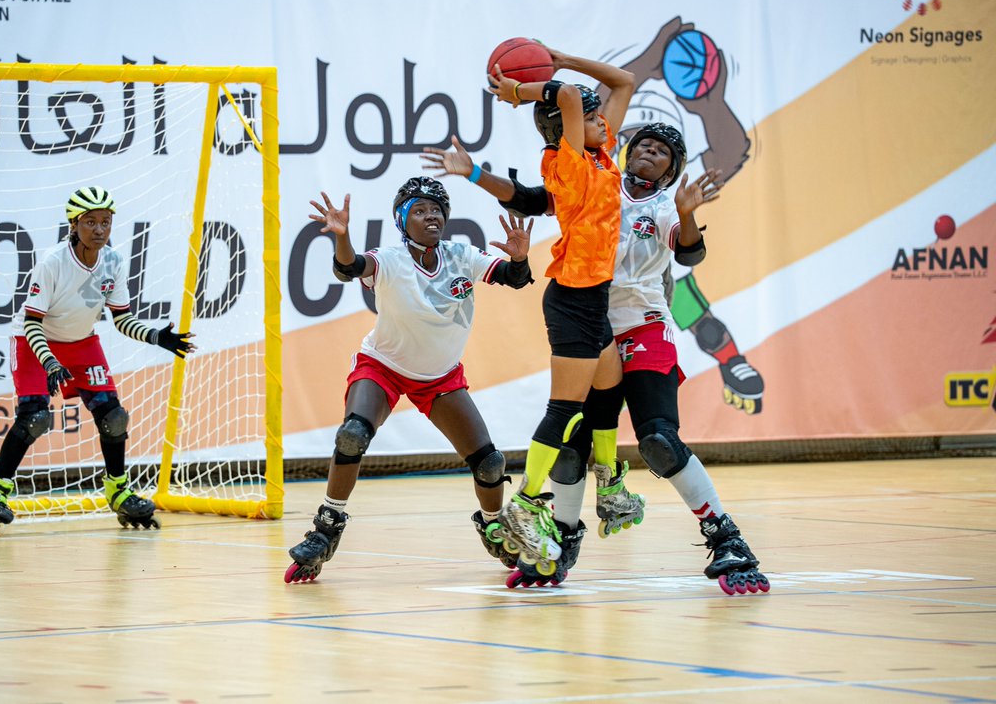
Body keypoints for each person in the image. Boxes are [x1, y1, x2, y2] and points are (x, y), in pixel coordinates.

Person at [424, 117, 770, 594]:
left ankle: (726, 536)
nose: (649, 151)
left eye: (661, 151)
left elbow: (690, 255)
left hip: (644, 325)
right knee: (571, 447)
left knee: (659, 441)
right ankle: (564, 540)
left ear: (670, 171)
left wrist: (688, 214)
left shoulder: (667, 205)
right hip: (594, 326)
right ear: (626, 153)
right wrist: (474, 173)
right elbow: (528, 198)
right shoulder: (595, 185)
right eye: (643, 144)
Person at [284, 176, 534, 583]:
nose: (430, 215)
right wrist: (342, 238)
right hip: (383, 366)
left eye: (436, 209)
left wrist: (520, 259)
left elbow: (514, 278)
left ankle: (494, 526)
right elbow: (348, 268)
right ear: (403, 220)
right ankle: (325, 529)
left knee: (490, 464)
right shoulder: (391, 259)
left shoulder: (461, 255)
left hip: (440, 377)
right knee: (353, 435)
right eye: (419, 210)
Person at [473, 48, 636, 583]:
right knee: (565, 410)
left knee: (609, 389)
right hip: (570, 300)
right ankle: (527, 501)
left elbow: (624, 81)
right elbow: (566, 95)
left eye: (597, 116)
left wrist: (562, 56)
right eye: (592, 118)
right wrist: (520, 92)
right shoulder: (565, 160)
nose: (601, 122)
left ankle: (609, 481)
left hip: (594, 299)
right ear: (566, 127)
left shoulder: (599, 152)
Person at [0, 186, 193, 538]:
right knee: (35, 418)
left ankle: (117, 490)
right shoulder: (53, 262)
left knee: (113, 416)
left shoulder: (113, 262)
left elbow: (121, 319)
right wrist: (50, 362)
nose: (100, 229)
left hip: (80, 342)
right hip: (33, 341)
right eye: (91, 222)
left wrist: (155, 337)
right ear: (74, 224)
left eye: (106, 221)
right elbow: (31, 322)